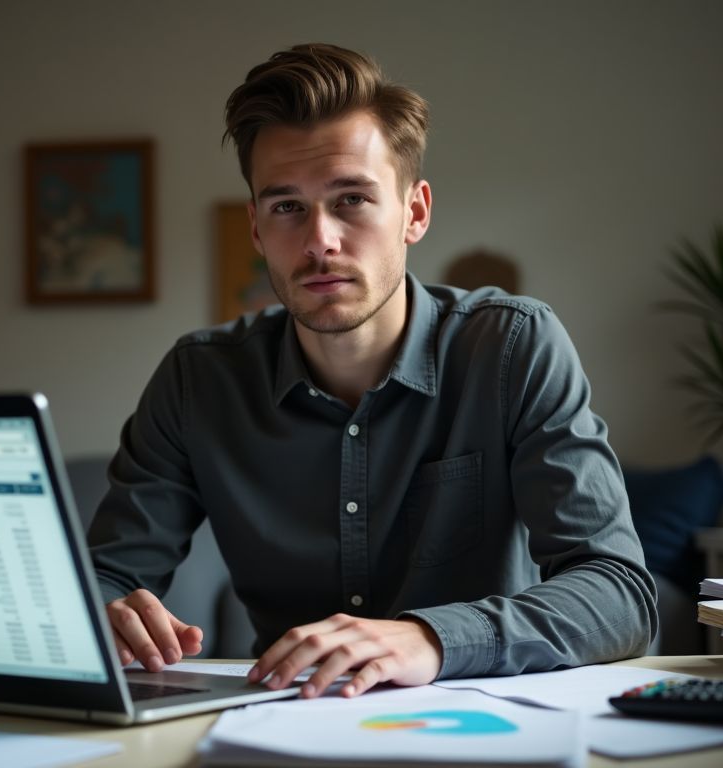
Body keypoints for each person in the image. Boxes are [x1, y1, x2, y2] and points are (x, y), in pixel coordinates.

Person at [88, 42, 656, 700]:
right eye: (286, 207)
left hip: (485, 724)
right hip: (280, 726)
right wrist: (101, 613)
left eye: (351, 200)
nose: (319, 240)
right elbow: (107, 576)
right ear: (255, 227)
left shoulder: (512, 346)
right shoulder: (198, 381)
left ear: (414, 212)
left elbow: (619, 594)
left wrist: (431, 638)